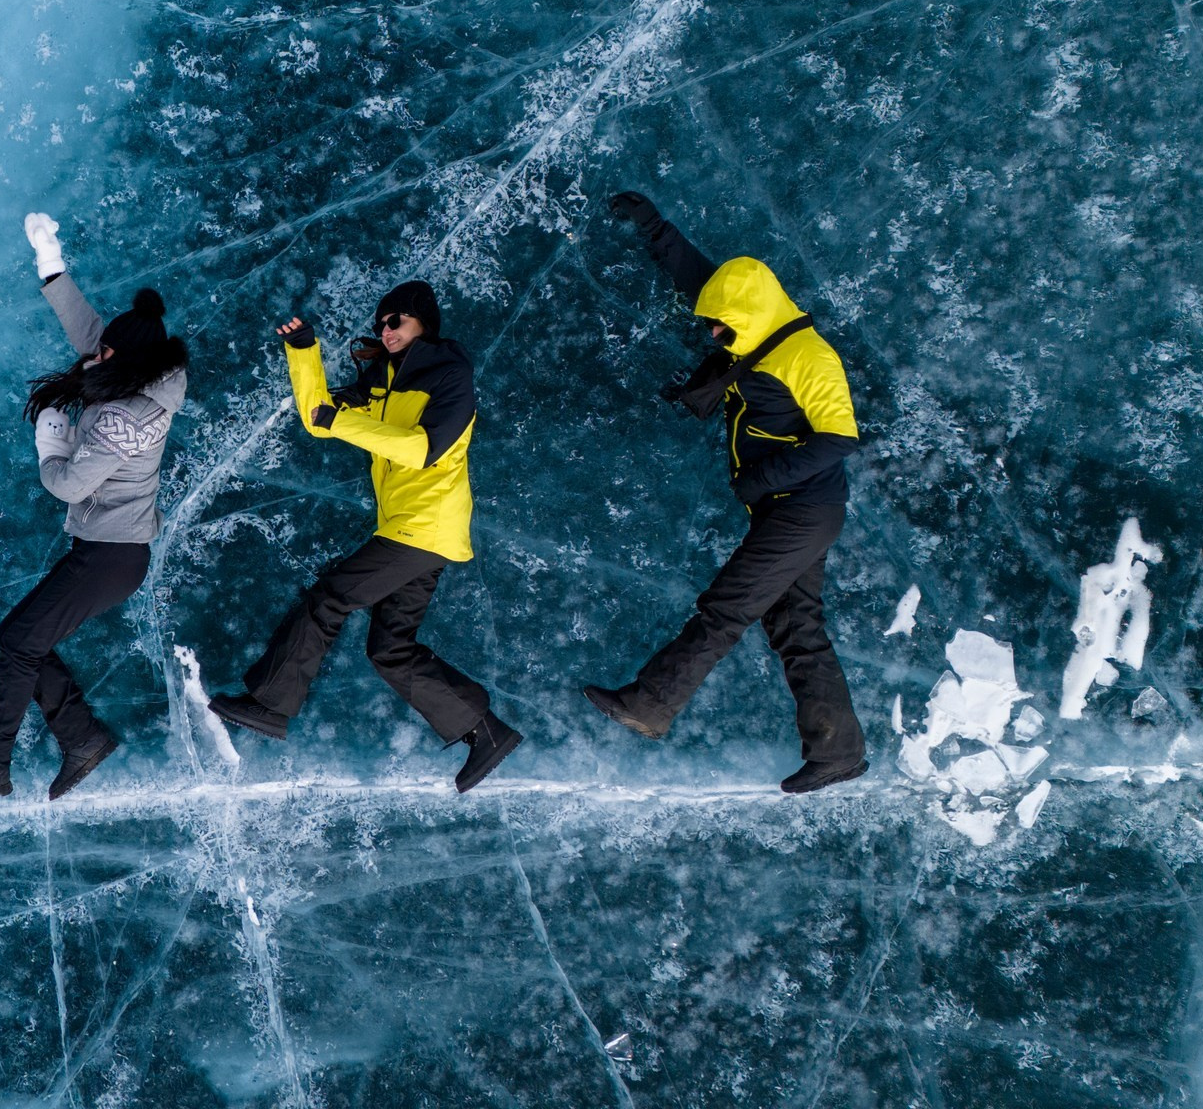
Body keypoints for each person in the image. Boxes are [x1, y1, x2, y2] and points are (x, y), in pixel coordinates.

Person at [582, 191, 868, 794]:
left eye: (721, 326)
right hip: (787, 513)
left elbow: (839, 438)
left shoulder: (809, 357)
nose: (713, 333)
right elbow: (703, 282)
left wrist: (758, 480)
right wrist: (654, 226)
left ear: (751, 317)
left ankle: (652, 704)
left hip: (801, 511)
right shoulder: (756, 327)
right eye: (713, 323)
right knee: (797, 628)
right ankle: (838, 753)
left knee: (726, 610)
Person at [208, 282, 522, 793]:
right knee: (390, 648)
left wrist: (345, 422)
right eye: (380, 324)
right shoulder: (384, 377)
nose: (386, 331)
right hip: (414, 529)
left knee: (330, 598)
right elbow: (320, 420)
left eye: (395, 321)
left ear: (422, 321)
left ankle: (270, 704)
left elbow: (422, 449)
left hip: (425, 524)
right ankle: (485, 732)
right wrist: (303, 352)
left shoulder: (449, 374)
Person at [0, 215, 187, 802]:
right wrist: (51, 261)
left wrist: (51, 445)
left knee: (18, 640)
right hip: (105, 551)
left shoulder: (129, 418)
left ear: (131, 363)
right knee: (23, 639)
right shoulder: (133, 368)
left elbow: (68, 485)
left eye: (109, 354)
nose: (98, 357)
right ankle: (82, 738)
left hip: (113, 556)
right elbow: (88, 331)